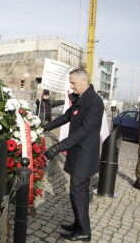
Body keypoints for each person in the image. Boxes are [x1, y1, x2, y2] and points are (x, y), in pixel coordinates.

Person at [44, 68, 104, 242]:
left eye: (73, 83)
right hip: (78, 153)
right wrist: (43, 127)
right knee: (77, 192)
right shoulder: (82, 99)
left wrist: (57, 147)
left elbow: (84, 131)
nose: (71, 86)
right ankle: (79, 223)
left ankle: (84, 231)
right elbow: (66, 117)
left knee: (78, 192)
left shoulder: (94, 101)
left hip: (85, 155)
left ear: (84, 81)